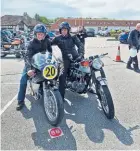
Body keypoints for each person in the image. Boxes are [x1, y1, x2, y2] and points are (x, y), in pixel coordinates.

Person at [16, 24, 52, 110]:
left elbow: (50, 51)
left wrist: (50, 60)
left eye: (42, 34)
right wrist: (29, 69)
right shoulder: (31, 43)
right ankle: (20, 101)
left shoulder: (47, 41)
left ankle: (42, 90)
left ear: (44, 34)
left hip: (42, 62)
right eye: (38, 34)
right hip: (31, 64)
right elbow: (28, 57)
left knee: (50, 75)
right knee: (23, 79)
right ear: (35, 34)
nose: (40, 36)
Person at [51, 22, 84, 101]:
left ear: (68, 30)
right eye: (62, 30)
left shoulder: (73, 36)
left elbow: (80, 45)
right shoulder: (57, 38)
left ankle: (88, 86)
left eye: (65, 30)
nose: (63, 31)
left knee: (86, 68)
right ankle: (61, 98)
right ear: (60, 30)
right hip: (64, 58)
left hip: (75, 56)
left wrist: (81, 54)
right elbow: (49, 44)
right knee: (62, 76)